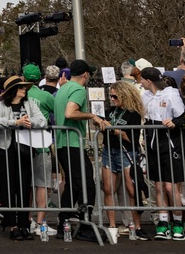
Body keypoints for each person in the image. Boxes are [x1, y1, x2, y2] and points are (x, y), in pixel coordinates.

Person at [53, 59, 108, 242]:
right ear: (85, 74)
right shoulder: (77, 90)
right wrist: (92, 115)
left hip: (62, 144)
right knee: (86, 184)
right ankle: (85, 224)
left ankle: (64, 223)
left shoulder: (63, 89)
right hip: (72, 143)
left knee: (73, 184)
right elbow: (70, 113)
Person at [0, 75, 46, 240]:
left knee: (24, 187)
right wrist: (15, 122)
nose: (24, 90)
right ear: (13, 90)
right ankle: (12, 224)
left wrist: (31, 123)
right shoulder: (1, 105)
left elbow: (42, 120)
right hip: (6, 149)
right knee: (9, 187)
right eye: (21, 87)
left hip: (25, 149)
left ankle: (24, 224)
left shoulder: (30, 104)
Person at [140, 66, 185, 240]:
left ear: (149, 81)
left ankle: (177, 222)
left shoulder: (171, 94)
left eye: (142, 80)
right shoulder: (144, 95)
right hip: (152, 143)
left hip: (169, 143)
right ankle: (163, 222)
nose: (141, 83)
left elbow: (184, 117)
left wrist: (174, 122)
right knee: (158, 186)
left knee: (171, 187)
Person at [101, 79, 147, 239]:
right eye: (110, 96)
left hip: (127, 152)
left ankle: (137, 225)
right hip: (109, 151)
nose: (112, 99)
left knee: (132, 190)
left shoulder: (133, 114)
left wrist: (114, 130)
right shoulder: (110, 111)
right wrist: (101, 124)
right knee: (108, 189)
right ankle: (112, 225)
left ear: (124, 95)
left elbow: (133, 138)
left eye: (115, 96)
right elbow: (104, 131)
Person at [21, 63, 56, 234]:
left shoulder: (20, 95)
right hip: (42, 145)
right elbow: (57, 112)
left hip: (24, 145)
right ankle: (41, 222)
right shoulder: (45, 96)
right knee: (42, 184)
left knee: (27, 184)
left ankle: (28, 220)